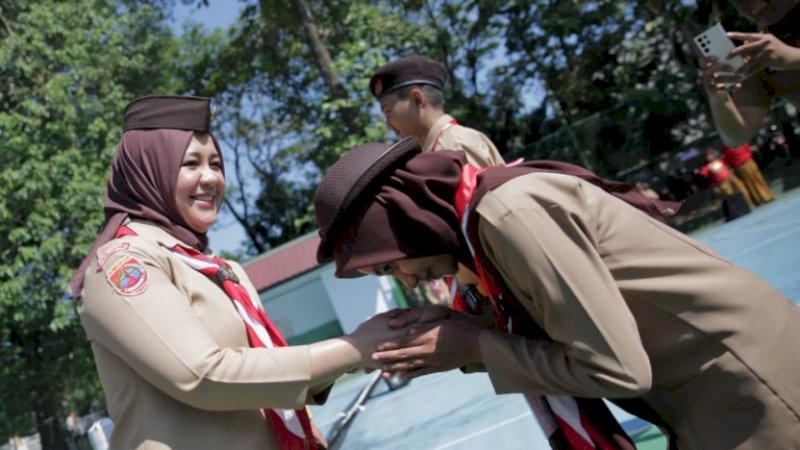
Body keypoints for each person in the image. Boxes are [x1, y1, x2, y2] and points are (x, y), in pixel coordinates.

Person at [313, 137, 800, 449]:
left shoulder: (510, 217)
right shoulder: (487, 220)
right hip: (708, 397)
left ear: (403, 222)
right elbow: (559, 323)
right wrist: (468, 330)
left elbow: (616, 369)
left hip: (753, 391)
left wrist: (477, 345)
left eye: (395, 262)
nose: (410, 281)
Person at [70, 95, 405, 450]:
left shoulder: (221, 268)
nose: (210, 178)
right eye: (190, 164)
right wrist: (357, 347)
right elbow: (204, 375)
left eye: (216, 164)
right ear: (149, 171)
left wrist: (301, 425)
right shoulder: (123, 265)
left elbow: (258, 372)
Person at [370, 54, 504, 167]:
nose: (388, 125)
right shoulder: (440, 148)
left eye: (387, 111)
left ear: (417, 99)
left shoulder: (453, 149)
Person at [700, 0, 800, 147]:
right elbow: (736, 136)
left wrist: (792, 57)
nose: (756, 7)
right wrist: (718, 98)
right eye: (741, 3)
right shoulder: (761, 52)